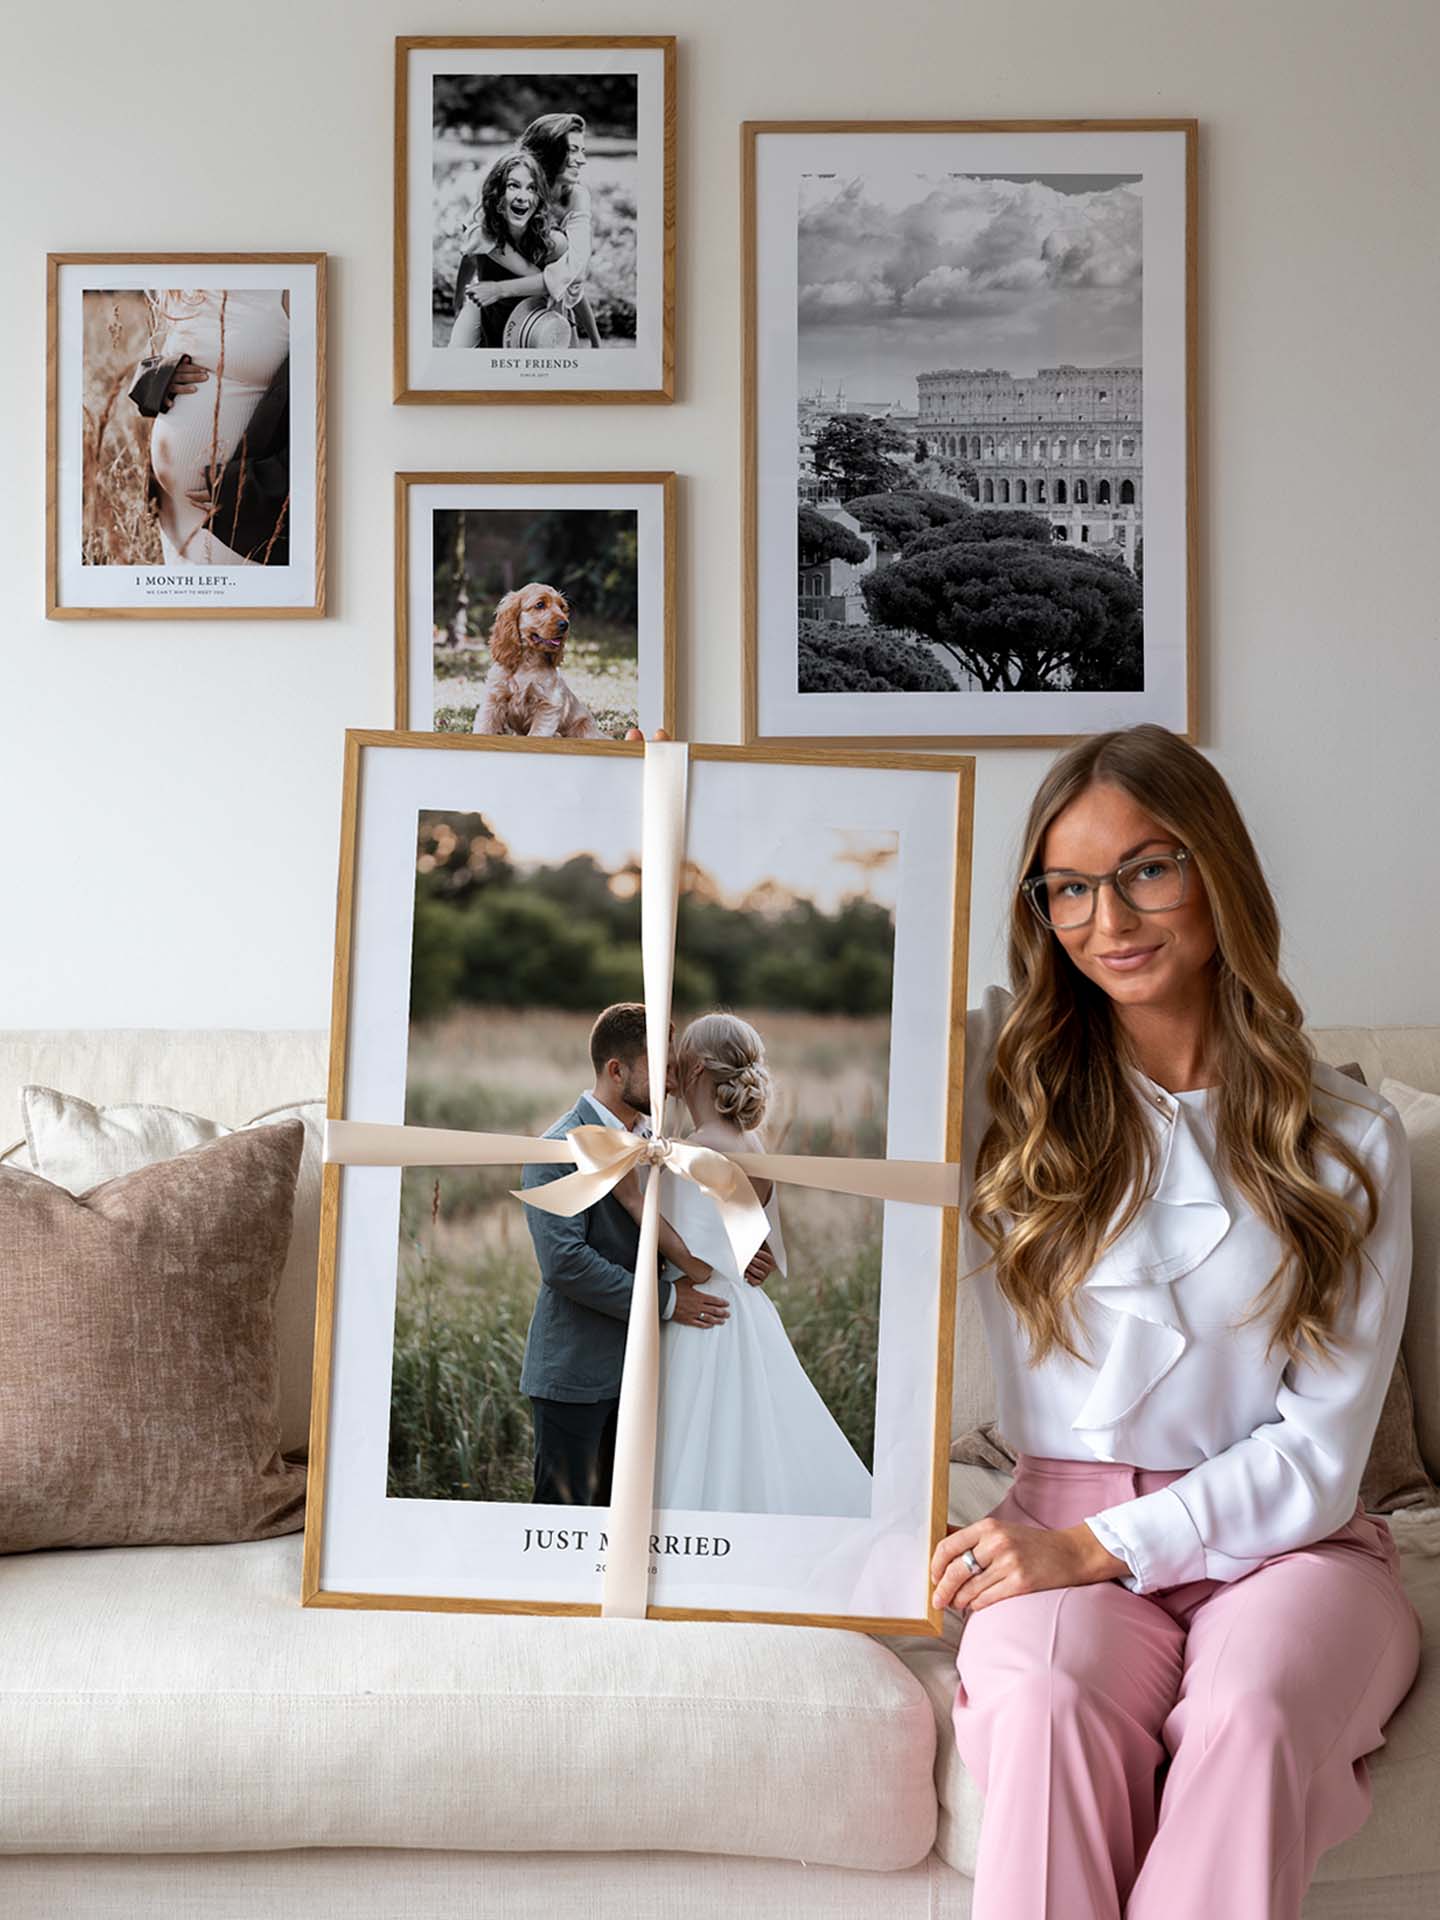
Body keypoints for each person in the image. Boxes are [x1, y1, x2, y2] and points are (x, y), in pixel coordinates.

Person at [928, 722, 1423, 1919]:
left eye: (1148, 868)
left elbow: (1318, 1454)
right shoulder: (1000, 1100)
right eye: (1071, 889)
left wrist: (1097, 1549)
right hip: (1050, 1523)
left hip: (1292, 1547)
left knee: (1253, 1712)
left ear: (1219, 872)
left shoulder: (1351, 1139)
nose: (1110, 918)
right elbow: (790, 1068)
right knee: (1046, 1704)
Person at [642, 1011, 874, 1518]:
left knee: (697, 1443)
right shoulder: (752, 1144)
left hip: (698, 1314)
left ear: (697, 1069)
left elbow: (688, 1255)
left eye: (677, 1057)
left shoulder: (689, 1152)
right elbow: (751, 1249)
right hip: (745, 1308)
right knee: (748, 1440)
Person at [518, 1002, 738, 1507]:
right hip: (576, 1373)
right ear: (617, 1071)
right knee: (565, 1524)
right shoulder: (557, 1149)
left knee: (626, 1520)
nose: (671, 1080)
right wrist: (667, 1300)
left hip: (647, 1373)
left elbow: (680, 1226)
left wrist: (740, 1251)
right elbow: (566, 1264)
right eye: (659, 1067)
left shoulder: (658, 1144)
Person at [137, 288, 290, 565]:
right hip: (176, 519)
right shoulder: (186, 286)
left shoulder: (290, 286)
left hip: (244, 519)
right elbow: (173, 361)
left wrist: (249, 487)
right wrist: (160, 377)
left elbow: (324, 410)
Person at [448, 147, 567, 351]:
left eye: (532, 188)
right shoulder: (483, 234)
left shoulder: (553, 242)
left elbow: (559, 284)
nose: (523, 196)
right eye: (513, 186)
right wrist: (458, 300)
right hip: (486, 308)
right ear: (497, 193)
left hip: (529, 316)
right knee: (456, 354)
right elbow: (469, 259)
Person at [517, 112, 603, 348]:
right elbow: (478, 238)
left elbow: (577, 269)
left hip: (551, 315)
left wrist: (596, 342)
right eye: (573, 149)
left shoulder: (576, 196)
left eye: (582, 150)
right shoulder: (515, 189)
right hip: (505, 311)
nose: (582, 160)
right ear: (548, 151)